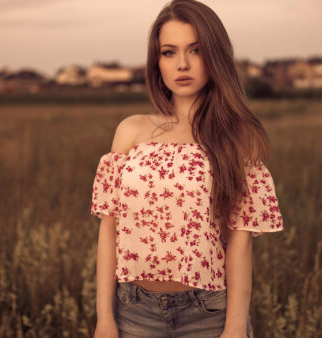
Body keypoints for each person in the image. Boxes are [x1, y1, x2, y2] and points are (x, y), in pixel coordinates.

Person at [91, 0, 283, 337]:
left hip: (208, 314)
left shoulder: (237, 137)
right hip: (133, 313)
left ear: (215, 56)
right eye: (169, 52)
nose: (182, 63)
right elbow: (109, 231)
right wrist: (105, 318)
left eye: (195, 50)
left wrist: (235, 328)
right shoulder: (130, 131)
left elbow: (239, 245)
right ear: (157, 62)